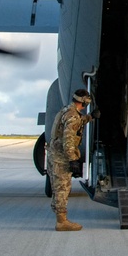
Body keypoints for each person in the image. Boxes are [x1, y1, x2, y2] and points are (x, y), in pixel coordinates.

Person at [46, 88, 96, 232]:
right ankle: (61, 222)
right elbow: (68, 140)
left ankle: (59, 216)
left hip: (54, 155)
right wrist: (73, 159)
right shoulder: (72, 116)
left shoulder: (67, 111)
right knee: (62, 189)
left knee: (57, 187)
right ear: (84, 102)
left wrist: (90, 117)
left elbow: (76, 122)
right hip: (61, 158)